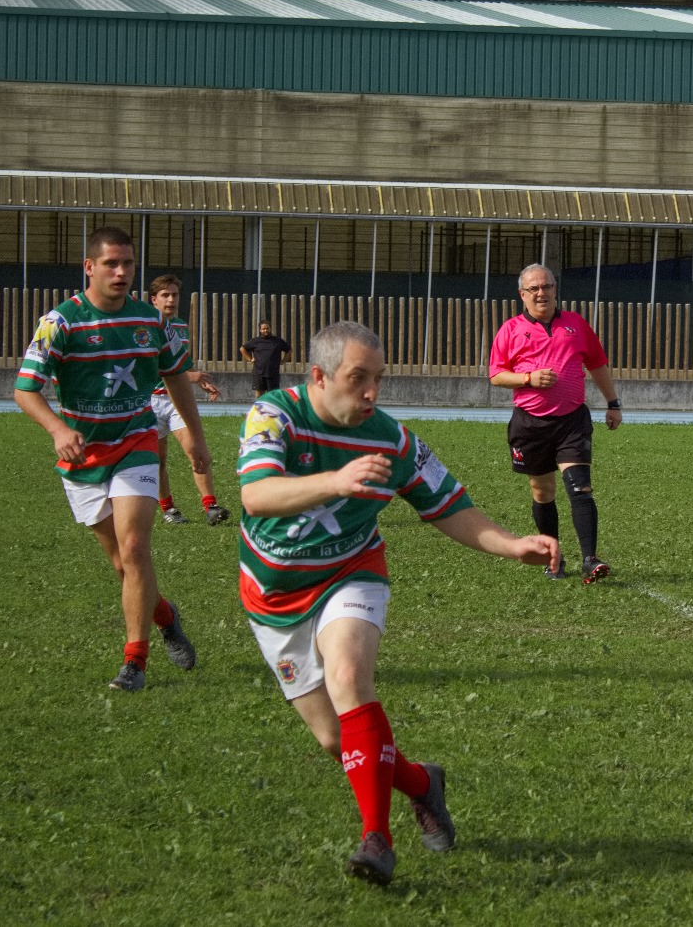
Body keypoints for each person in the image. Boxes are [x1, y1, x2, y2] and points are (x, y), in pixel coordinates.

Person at [238, 320, 560, 885]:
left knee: (348, 677)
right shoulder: (274, 414)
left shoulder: (393, 438)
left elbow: (449, 505)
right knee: (334, 738)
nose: (371, 394)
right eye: (357, 379)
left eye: (378, 380)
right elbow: (257, 495)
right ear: (318, 376)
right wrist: (337, 482)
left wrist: (513, 546)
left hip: (351, 571)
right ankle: (420, 783)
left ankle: (376, 840)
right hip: (272, 592)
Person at [14, 225, 204, 692]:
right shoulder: (60, 323)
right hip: (83, 454)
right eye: (111, 264)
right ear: (89, 268)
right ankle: (164, 616)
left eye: (128, 264)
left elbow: (177, 376)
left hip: (135, 439)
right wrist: (59, 428)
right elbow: (25, 389)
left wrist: (195, 437)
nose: (121, 272)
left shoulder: (150, 321)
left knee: (137, 549)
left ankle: (134, 663)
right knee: (122, 566)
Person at [487, 264, 622, 584]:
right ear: (522, 295)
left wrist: (613, 403)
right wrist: (528, 378)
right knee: (542, 490)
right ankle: (553, 558)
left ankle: (590, 559)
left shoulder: (576, 325)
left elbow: (598, 364)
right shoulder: (510, 330)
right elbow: (495, 375)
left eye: (546, 286)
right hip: (530, 425)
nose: (541, 293)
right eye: (533, 288)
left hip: (572, 421)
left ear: (555, 289)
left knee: (580, 487)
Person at [148, 274, 230, 526]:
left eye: (175, 295)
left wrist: (200, 380)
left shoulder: (181, 327)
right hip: (149, 402)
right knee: (158, 460)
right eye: (165, 295)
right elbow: (150, 366)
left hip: (174, 401)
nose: (171, 299)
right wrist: (190, 376)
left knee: (195, 450)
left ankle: (211, 506)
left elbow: (179, 363)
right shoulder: (146, 327)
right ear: (154, 300)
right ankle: (169, 509)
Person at [240, 321, 291, 396]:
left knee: (273, 395)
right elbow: (242, 349)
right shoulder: (255, 341)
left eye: (267, 328)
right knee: (259, 394)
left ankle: (271, 407)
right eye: (263, 329)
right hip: (259, 373)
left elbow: (289, 350)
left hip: (273, 373)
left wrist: (284, 360)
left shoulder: (278, 341)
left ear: (270, 329)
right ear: (260, 330)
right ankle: (259, 408)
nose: (265, 330)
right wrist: (250, 359)